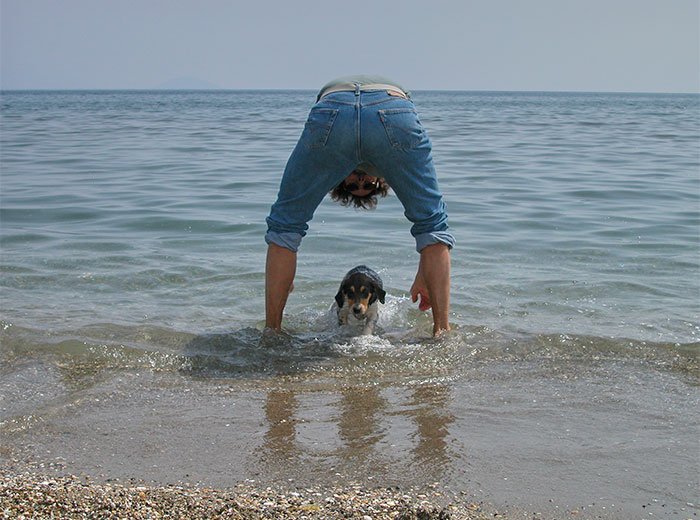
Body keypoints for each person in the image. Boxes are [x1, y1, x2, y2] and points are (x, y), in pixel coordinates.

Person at [265, 75, 454, 336]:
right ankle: (442, 333)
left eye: (359, 184)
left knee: (285, 226)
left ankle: (272, 332)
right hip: (393, 109)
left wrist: (426, 273)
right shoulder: (381, 163)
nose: (362, 179)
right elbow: (431, 232)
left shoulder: (339, 160)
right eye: (362, 184)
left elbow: (283, 239)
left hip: (333, 110)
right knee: (432, 223)